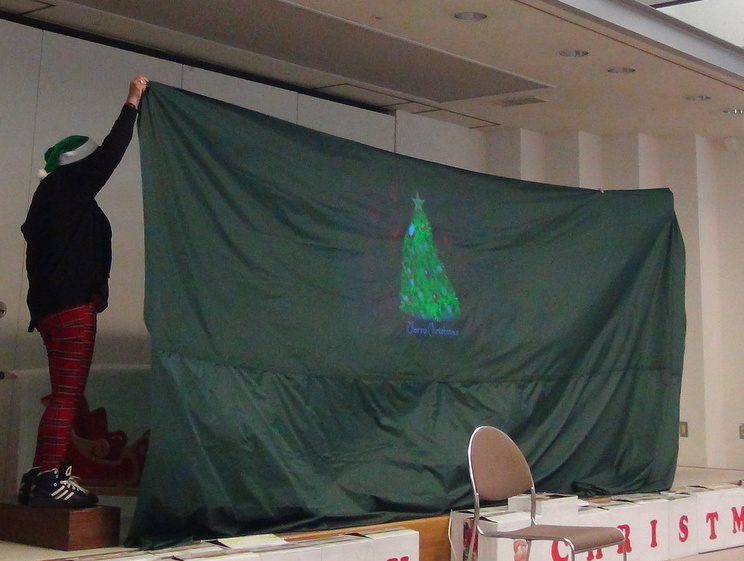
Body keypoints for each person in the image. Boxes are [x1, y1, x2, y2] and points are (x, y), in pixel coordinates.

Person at [18, 75, 149, 508]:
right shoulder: (69, 188)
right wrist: (132, 102)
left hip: (51, 309)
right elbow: (111, 152)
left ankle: (40, 476)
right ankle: (49, 477)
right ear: (79, 165)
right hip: (72, 307)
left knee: (63, 394)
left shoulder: (50, 197)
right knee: (68, 395)